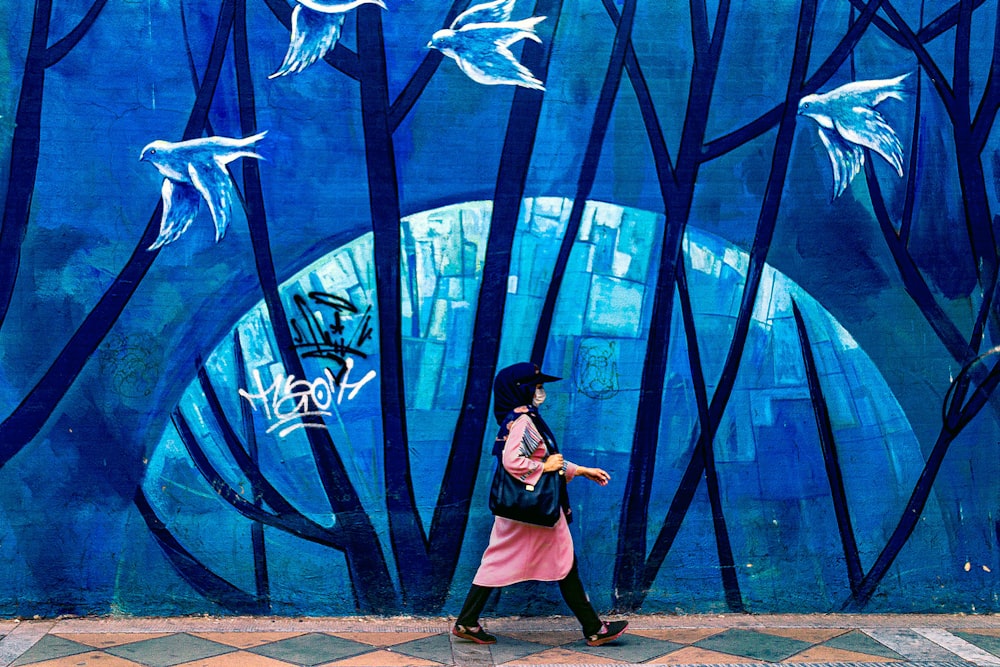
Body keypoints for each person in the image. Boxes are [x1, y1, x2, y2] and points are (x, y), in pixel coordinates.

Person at [452, 362, 629, 647]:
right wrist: (546, 467)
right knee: (563, 560)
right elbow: (514, 461)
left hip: (521, 509)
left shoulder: (521, 417)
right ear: (521, 389)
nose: (541, 391)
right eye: (537, 386)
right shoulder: (524, 420)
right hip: (536, 509)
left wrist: (581, 470)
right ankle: (594, 629)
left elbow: (543, 458)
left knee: (500, 561)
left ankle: (467, 621)